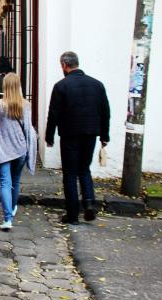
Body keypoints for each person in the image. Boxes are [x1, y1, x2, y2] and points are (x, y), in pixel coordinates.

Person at [45, 51, 110, 224]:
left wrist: (49, 136)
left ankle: (72, 214)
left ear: (64, 66)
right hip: (90, 134)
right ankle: (89, 203)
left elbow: (54, 113)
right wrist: (105, 135)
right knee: (84, 169)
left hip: (69, 135)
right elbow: (105, 112)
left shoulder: (61, 86)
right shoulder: (97, 85)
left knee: (70, 173)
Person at [0, 73, 37, 231]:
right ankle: (13, 207)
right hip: (20, 148)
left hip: (3, 149)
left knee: (5, 183)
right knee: (15, 181)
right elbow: (27, 128)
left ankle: (7, 218)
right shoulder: (26, 105)